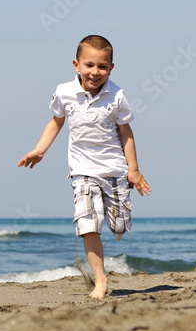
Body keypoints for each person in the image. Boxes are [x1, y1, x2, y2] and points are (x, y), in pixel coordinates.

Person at [18, 35, 151, 299]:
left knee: (120, 227)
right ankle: (100, 281)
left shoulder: (117, 96)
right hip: (81, 171)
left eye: (102, 66)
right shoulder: (65, 92)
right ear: (76, 65)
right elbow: (56, 122)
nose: (95, 72)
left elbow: (126, 133)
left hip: (114, 171)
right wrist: (39, 149)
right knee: (88, 224)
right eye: (88, 65)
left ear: (111, 68)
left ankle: (117, 225)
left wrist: (133, 170)